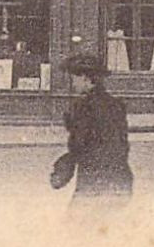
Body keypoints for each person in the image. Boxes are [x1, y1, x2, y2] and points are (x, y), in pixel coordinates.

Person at [54, 51, 133, 201]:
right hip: (120, 180)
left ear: (85, 78)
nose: (72, 84)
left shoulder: (83, 107)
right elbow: (122, 144)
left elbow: (78, 145)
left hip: (94, 180)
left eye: (74, 79)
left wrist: (63, 169)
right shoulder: (115, 105)